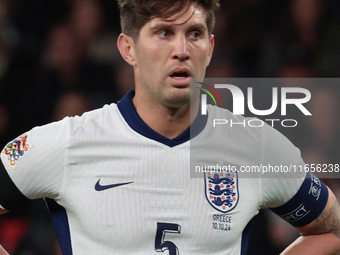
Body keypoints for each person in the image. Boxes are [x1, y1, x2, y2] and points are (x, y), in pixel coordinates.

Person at [0, 0, 340, 254]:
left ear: (211, 48)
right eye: (163, 33)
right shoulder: (67, 142)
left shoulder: (257, 145)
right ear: (128, 48)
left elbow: (332, 231)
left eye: (194, 34)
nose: (181, 50)